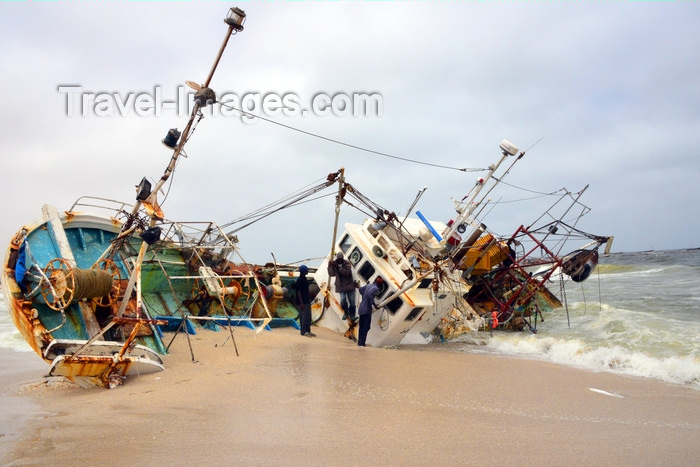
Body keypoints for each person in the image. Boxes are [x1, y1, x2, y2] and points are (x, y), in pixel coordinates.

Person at [327, 251, 357, 321]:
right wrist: (330, 266)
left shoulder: (347, 263)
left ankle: (352, 315)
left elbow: (346, 273)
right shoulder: (335, 264)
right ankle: (346, 312)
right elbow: (331, 274)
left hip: (349, 285)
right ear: (337, 259)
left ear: (343, 258)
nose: (339, 260)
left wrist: (337, 267)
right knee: (343, 300)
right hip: (341, 286)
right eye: (338, 259)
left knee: (352, 302)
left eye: (341, 258)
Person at [357, 276, 384, 347]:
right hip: (366, 310)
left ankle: (360, 342)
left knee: (361, 327)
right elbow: (370, 296)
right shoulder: (376, 289)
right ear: (380, 285)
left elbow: (360, 290)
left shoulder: (368, 285)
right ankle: (362, 343)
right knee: (366, 327)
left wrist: (364, 298)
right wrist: (375, 305)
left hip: (361, 308)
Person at [296, 265, 315, 337]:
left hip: (307, 301)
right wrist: (301, 303)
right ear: (303, 271)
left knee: (308, 317)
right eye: (306, 270)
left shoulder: (305, 279)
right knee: (303, 317)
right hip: (302, 302)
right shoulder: (299, 280)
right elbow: (298, 292)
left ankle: (308, 330)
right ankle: (303, 332)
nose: (307, 271)